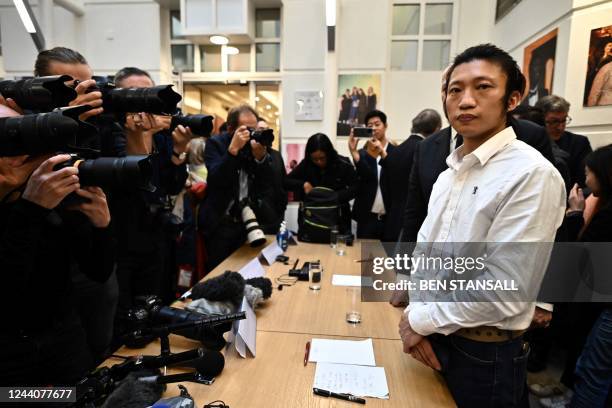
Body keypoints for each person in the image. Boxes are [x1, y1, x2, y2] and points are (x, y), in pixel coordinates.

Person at [399, 44, 566, 407]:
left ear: (513, 98)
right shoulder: (450, 173)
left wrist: (419, 320)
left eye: (483, 87)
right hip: (436, 334)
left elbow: (501, 290)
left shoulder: (530, 174)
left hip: (484, 351)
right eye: (455, 90)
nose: (466, 101)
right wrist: (415, 315)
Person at [0, 104, 115, 385]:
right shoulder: (37, 200)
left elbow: (97, 271)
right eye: (8, 138)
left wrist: (102, 227)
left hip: (64, 338)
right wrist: (31, 209)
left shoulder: (51, 195)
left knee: (77, 399)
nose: (21, 150)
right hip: (9, 357)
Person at [32, 47, 117, 362]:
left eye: (89, 85)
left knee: (96, 357)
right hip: (38, 290)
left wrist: (104, 225)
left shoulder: (103, 127)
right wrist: (66, 121)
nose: (84, 93)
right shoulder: (22, 136)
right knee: (41, 392)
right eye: (72, 87)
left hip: (90, 256)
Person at [109, 67, 190, 339]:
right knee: (124, 318)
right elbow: (133, 182)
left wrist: (178, 150)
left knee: (156, 306)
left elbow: (171, 184)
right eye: (135, 96)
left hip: (155, 236)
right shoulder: (110, 133)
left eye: (148, 96)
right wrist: (142, 134)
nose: (143, 106)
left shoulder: (161, 137)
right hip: (121, 241)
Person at [200, 104, 277, 271]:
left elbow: (268, 184)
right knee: (218, 272)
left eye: (254, 128)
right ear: (230, 128)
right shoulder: (216, 144)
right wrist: (233, 150)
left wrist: (260, 158)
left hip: (247, 223)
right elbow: (216, 180)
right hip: (220, 223)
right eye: (246, 129)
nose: (251, 134)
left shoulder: (255, 145)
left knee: (247, 270)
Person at [380, 109, 441, 242]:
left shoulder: (394, 152)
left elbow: (384, 187)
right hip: (417, 226)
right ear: (437, 129)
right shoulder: (428, 154)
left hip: (392, 221)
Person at [286, 133, 358, 234]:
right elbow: (286, 181)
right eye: (315, 159)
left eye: (322, 158)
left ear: (329, 153)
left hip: (338, 220)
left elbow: (356, 188)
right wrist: (303, 184)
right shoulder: (306, 164)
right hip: (311, 219)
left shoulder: (343, 163)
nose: (319, 162)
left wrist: (335, 196)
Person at [349, 109, 396, 239]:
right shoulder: (362, 154)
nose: (374, 128)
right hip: (367, 219)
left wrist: (383, 152)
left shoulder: (396, 152)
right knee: (366, 258)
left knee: (388, 257)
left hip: (389, 218)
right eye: (370, 126)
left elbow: (396, 177)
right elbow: (366, 177)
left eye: (377, 124)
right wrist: (354, 152)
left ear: (385, 126)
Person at [535, 95, 592, 188]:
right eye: (554, 121)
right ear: (540, 120)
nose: (560, 127)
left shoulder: (579, 143)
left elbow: (584, 182)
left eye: (564, 120)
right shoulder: (530, 141)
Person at [255, 117, 288, 234]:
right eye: (260, 130)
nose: (264, 133)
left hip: (277, 214)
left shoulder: (276, 155)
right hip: (258, 218)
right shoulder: (248, 155)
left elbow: (284, 180)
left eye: (267, 130)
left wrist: (283, 204)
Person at [586, 41, 612, 107]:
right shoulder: (598, 57)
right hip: (594, 79)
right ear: (605, 47)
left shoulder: (609, 60)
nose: (610, 48)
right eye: (609, 45)